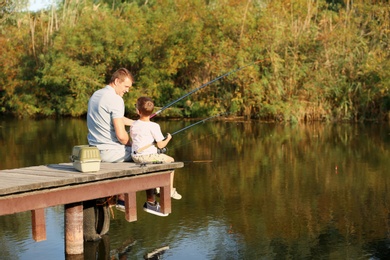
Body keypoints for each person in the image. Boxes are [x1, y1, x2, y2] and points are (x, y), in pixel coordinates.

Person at [87, 68, 165, 217]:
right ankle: (150, 202)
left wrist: (137, 123)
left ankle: (120, 198)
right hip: (110, 153)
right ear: (117, 81)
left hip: (95, 151)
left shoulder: (96, 95)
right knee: (148, 153)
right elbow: (122, 137)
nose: (127, 90)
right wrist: (134, 144)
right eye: (126, 87)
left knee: (141, 151)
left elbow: (117, 118)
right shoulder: (116, 100)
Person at [130, 97, 182, 210]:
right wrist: (168, 138)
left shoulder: (133, 125)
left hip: (135, 157)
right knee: (171, 161)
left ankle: (159, 187)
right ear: (152, 112)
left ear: (138, 111)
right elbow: (160, 145)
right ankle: (170, 190)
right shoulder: (154, 126)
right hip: (147, 157)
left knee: (160, 160)